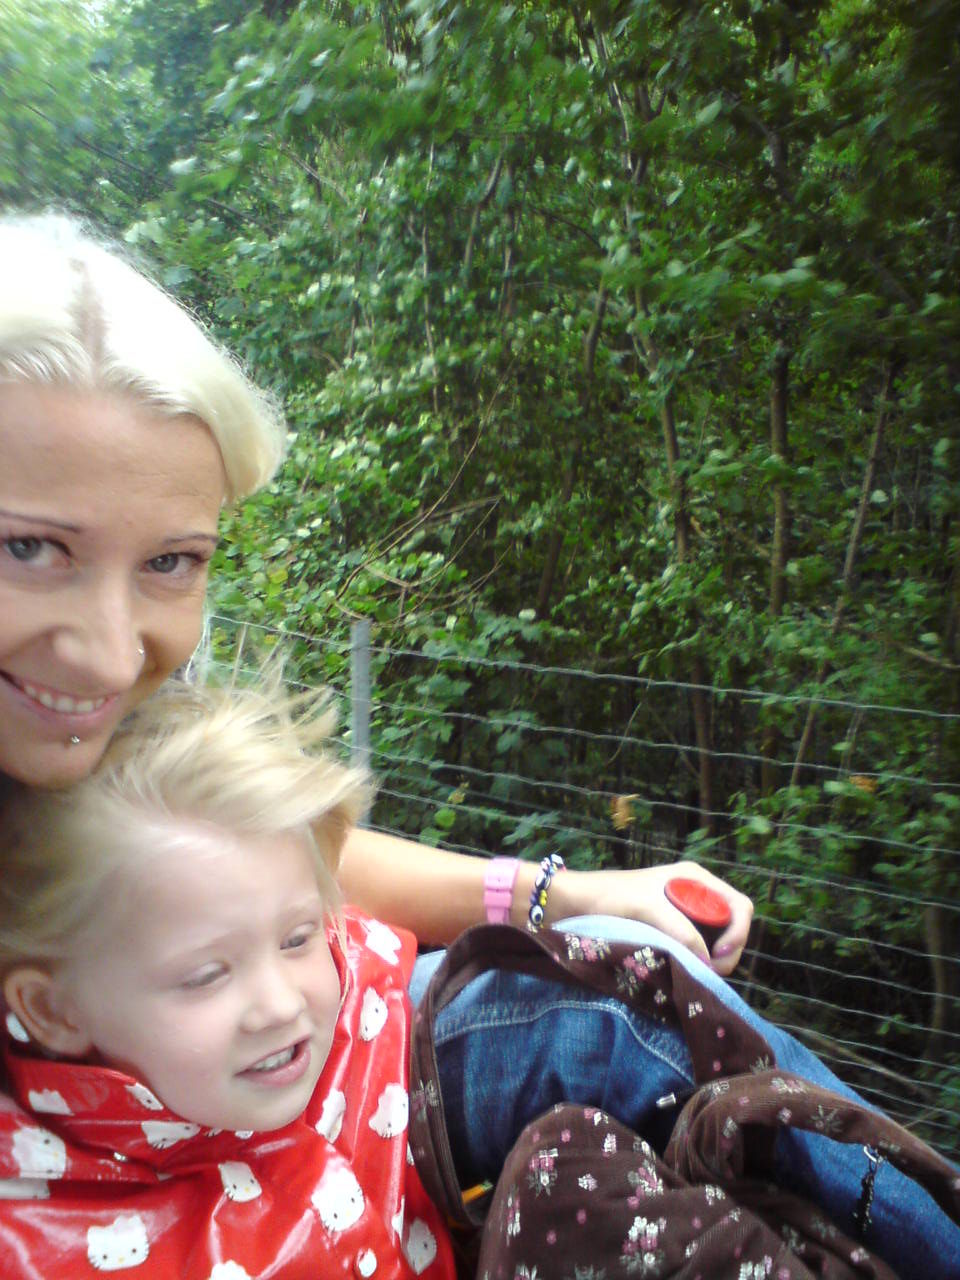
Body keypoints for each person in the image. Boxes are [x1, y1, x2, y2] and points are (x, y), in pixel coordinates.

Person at [0, 211, 955, 1278]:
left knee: (626, 997)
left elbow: (271, 860)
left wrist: (563, 894)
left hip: (344, 1083)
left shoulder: (103, 718)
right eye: (28, 547)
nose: (109, 651)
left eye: (172, 562)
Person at [0, 677, 455, 1279]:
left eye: (298, 938)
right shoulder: (37, 1238)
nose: (281, 1004)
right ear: (53, 1010)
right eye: (206, 976)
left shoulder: (368, 1022)